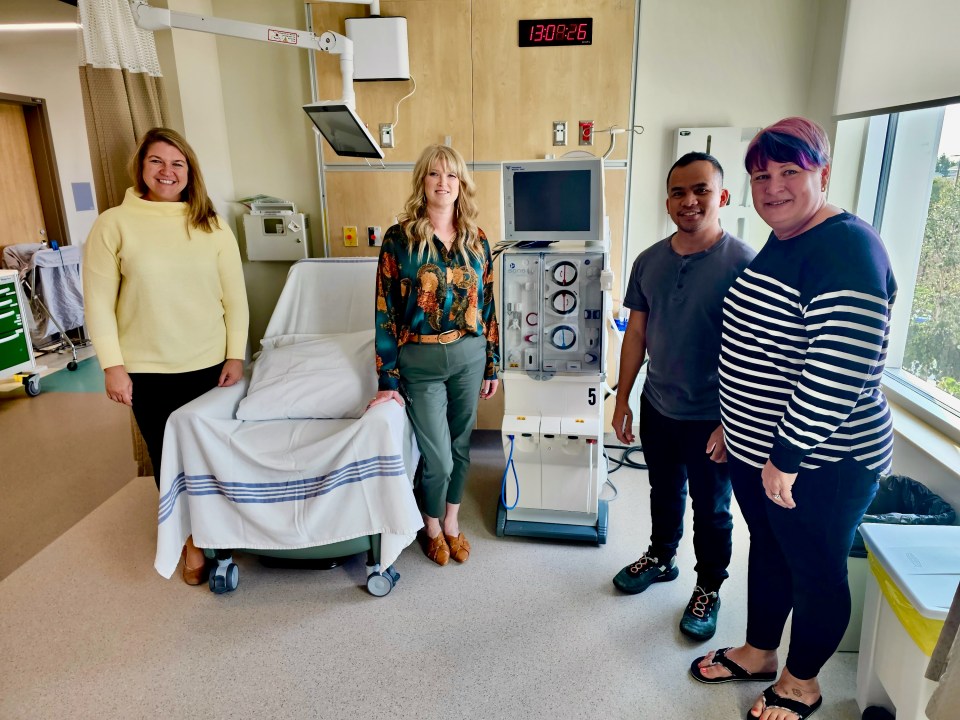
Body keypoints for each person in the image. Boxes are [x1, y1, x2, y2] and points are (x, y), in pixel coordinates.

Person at [690, 117, 897, 720]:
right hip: (762, 450)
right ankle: (758, 651)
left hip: (822, 461)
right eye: (762, 175)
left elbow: (838, 371)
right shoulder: (786, 240)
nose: (773, 187)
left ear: (823, 176)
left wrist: (786, 456)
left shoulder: (848, 248)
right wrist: (735, 424)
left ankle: (801, 682)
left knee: (816, 570)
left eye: (789, 173)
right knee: (773, 552)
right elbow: (762, 347)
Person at [83, 127, 249, 585]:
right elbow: (97, 303)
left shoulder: (211, 225)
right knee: (169, 459)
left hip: (210, 365)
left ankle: (218, 531)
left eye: (177, 163)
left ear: (190, 171)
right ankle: (192, 543)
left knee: (213, 456)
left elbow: (235, 299)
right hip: (147, 369)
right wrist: (112, 367)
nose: (167, 171)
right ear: (141, 167)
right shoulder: (113, 224)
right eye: (157, 161)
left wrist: (235, 356)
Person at [612, 152, 756, 641]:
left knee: (713, 507)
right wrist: (623, 399)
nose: (689, 200)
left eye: (701, 190)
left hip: (715, 416)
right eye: (678, 192)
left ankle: (709, 587)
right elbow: (637, 333)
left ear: (723, 197)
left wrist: (733, 421)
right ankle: (662, 556)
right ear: (668, 199)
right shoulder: (649, 261)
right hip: (658, 406)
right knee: (662, 489)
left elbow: (759, 355)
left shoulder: (746, 264)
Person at [368, 144, 500, 566]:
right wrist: (387, 377)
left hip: (469, 354)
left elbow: (489, 302)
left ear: (461, 185)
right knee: (438, 457)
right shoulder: (399, 238)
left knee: (462, 447)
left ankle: (451, 523)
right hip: (419, 361)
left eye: (452, 176)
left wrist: (492, 362)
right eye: (434, 175)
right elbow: (384, 308)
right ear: (422, 182)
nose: (443, 183)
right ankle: (429, 525)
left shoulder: (477, 240)